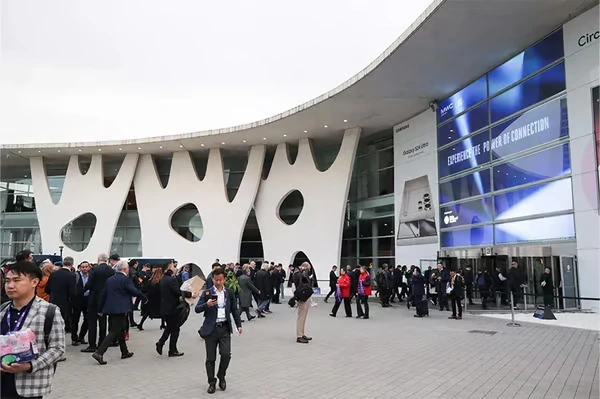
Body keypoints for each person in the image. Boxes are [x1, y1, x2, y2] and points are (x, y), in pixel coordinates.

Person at [1, 261, 65, 399]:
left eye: (17, 280)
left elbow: (58, 349)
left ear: (34, 282)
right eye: (7, 281)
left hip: (29, 386)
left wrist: (30, 365)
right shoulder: (2, 310)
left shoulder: (49, 311)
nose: (10, 285)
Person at [195, 268, 242, 394]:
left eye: (221, 280)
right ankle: (211, 382)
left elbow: (234, 309)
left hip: (225, 328)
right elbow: (197, 309)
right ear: (212, 279)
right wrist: (207, 304)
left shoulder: (229, 292)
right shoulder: (207, 293)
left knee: (226, 355)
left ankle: (221, 375)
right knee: (211, 358)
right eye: (216, 280)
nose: (218, 282)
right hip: (211, 329)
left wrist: (239, 324)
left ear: (224, 279)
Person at [92, 260, 145, 365]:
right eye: (128, 269)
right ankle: (99, 352)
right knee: (114, 331)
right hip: (121, 309)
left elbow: (103, 294)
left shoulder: (110, 280)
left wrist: (100, 309)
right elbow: (133, 290)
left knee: (121, 329)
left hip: (110, 309)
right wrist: (142, 296)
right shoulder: (125, 279)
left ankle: (124, 352)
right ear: (125, 269)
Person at [156, 261, 196, 358]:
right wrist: (190, 294)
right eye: (173, 266)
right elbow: (178, 292)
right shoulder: (171, 280)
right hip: (172, 309)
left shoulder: (163, 279)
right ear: (168, 269)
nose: (175, 268)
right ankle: (172, 350)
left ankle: (161, 343)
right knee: (175, 329)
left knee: (170, 327)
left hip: (165, 308)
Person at [81, 253, 115, 353]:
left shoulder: (94, 270)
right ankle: (102, 343)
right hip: (105, 299)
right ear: (107, 260)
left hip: (94, 298)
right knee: (103, 322)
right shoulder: (111, 270)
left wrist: (84, 289)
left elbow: (89, 284)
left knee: (92, 323)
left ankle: (92, 344)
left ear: (98, 259)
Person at [45, 256, 76, 346]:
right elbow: (72, 292)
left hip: (53, 300)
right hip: (64, 302)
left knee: (51, 322)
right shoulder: (71, 276)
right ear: (72, 264)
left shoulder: (54, 274)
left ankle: (49, 342)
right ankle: (58, 344)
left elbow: (47, 289)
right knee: (61, 323)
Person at [71, 261, 91, 346]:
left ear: (89, 267)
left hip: (88, 300)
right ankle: (74, 338)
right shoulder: (76, 276)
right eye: (83, 267)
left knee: (87, 319)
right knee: (75, 319)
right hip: (78, 300)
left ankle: (81, 336)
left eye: (86, 267)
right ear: (80, 268)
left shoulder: (91, 276)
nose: (84, 268)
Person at [293, 263, 314, 343]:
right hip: (301, 296)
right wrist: (304, 272)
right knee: (301, 316)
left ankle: (302, 333)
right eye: (308, 269)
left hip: (305, 296)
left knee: (304, 316)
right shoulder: (297, 273)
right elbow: (299, 282)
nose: (308, 271)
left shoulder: (301, 273)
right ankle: (299, 335)